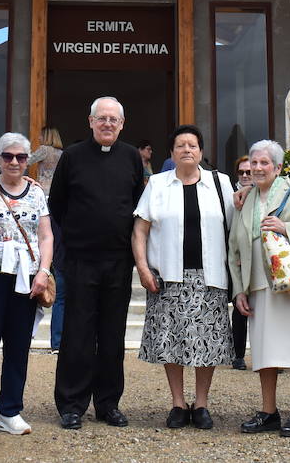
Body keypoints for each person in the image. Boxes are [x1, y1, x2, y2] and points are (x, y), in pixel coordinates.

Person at [48, 96, 146, 429]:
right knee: (76, 333)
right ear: (90, 122)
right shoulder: (72, 156)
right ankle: (72, 404)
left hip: (118, 261)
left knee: (112, 334)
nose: (107, 124)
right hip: (79, 260)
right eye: (101, 118)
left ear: (122, 124)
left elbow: (137, 205)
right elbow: (57, 204)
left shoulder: (132, 157)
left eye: (113, 120)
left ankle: (108, 403)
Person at [131, 125, 235, 429]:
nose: (186, 150)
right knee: (170, 340)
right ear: (172, 153)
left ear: (201, 152)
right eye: (180, 145)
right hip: (168, 276)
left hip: (210, 275)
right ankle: (177, 402)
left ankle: (201, 403)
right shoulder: (158, 184)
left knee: (209, 342)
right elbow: (140, 229)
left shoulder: (221, 183)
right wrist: (142, 267)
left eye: (192, 145)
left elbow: (237, 224)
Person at [228, 139, 290, 438]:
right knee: (264, 351)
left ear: (276, 167)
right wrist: (239, 290)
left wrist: (287, 228)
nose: (258, 168)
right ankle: (269, 410)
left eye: (264, 163)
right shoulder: (245, 200)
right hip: (258, 285)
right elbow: (234, 248)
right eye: (254, 163)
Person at [0, 132, 54, 438]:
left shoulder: (37, 193)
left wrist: (43, 271)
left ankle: (10, 410)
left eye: (20, 157)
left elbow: (45, 235)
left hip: (25, 275)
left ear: (28, 159)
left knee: (19, 346)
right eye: (8, 156)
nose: (14, 162)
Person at [28, 125, 67, 350]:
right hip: (57, 199)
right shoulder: (63, 155)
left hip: (42, 195)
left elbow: (27, 160)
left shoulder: (44, 150)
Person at [231, 155, 253, 370]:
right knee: (240, 307)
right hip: (236, 259)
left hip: (259, 261)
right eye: (242, 172)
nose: (246, 175)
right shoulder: (230, 196)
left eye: (249, 172)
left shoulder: (263, 194)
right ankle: (238, 354)